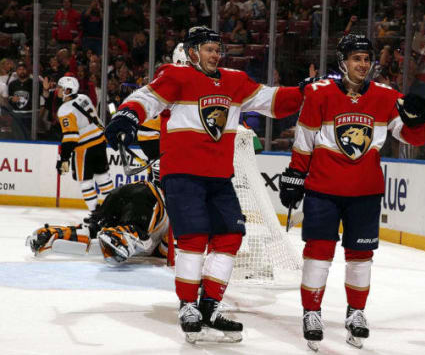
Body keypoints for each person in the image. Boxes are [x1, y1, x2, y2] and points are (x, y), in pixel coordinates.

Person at [103, 26, 304, 343]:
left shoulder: (235, 81)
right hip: (182, 175)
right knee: (194, 238)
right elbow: (147, 98)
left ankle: (209, 305)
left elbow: (271, 100)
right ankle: (187, 307)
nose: (215, 54)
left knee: (231, 236)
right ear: (193, 52)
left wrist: (305, 93)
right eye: (209, 49)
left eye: (217, 49)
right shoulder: (175, 76)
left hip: (219, 178)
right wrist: (127, 115)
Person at [278, 34, 425, 350]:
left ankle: (356, 313)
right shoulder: (319, 94)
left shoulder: (387, 97)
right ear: (343, 62)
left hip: (365, 191)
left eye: (366, 59)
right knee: (318, 254)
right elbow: (304, 141)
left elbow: (414, 139)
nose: (362, 64)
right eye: (356, 58)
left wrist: (418, 121)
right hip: (323, 188)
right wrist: (295, 174)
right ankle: (311, 312)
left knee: (361, 257)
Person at [26, 177, 169, 264]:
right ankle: (122, 235)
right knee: (137, 230)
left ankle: (53, 234)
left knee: (92, 230)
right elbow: (165, 250)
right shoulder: (180, 206)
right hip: (147, 197)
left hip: (123, 192)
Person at [56, 76, 114, 211]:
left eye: (60, 88)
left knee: (85, 182)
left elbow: (71, 137)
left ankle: (95, 213)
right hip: (100, 142)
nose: (57, 90)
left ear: (68, 90)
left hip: (84, 148)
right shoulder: (84, 98)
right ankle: (112, 210)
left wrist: (64, 158)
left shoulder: (65, 110)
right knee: (103, 176)